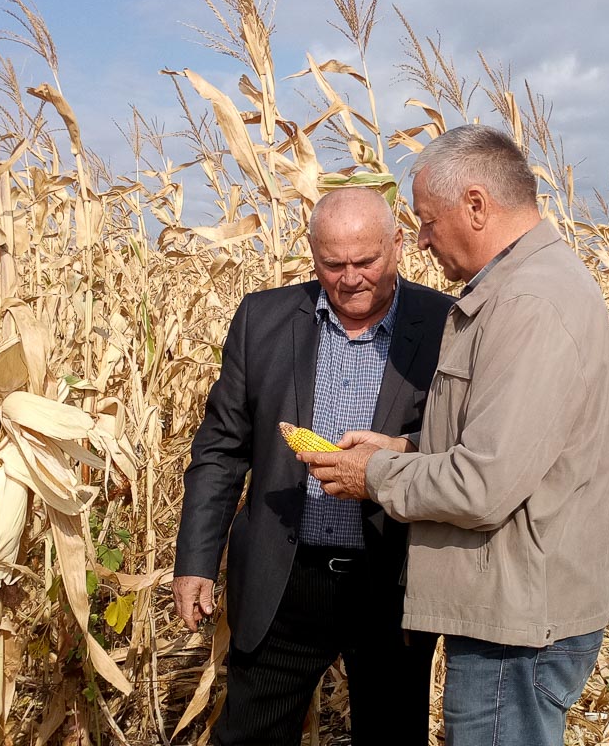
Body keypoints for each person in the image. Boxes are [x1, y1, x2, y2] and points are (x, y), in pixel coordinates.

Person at [301, 125, 609, 746]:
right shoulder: (525, 289)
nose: (421, 240)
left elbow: (483, 484)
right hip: (514, 610)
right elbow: (510, 451)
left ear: (475, 205)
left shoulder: (528, 303)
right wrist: (405, 450)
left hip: (516, 626)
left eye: (427, 221)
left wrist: (373, 474)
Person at [173, 186, 456, 745]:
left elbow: (467, 443)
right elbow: (221, 448)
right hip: (284, 575)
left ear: (399, 245)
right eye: (332, 265)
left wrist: (399, 452)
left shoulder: (446, 324)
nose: (350, 279)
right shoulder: (263, 318)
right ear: (312, 254)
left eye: (365, 261)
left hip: (391, 577)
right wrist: (196, 560)